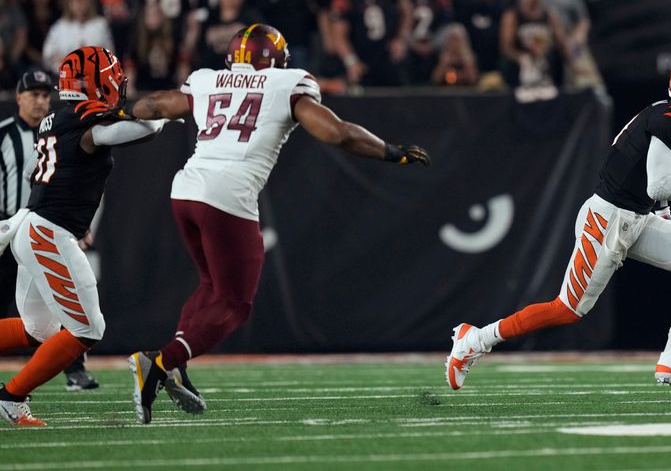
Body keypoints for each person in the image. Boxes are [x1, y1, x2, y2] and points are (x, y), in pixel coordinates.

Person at [128, 23, 431, 424]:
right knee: (234, 303)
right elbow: (337, 133)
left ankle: (175, 363)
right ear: (274, 58)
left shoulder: (207, 79)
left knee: (211, 286)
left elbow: (156, 106)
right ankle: (163, 361)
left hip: (185, 190)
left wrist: (117, 112)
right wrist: (391, 152)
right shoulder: (287, 82)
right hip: (228, 196)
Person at [446, 54, 671, 390]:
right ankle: (474, 340)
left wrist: (663, 218)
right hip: (608, 220)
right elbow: (657, 183)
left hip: (636, 216)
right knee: (566, 309)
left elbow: (654, 188)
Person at [0, 47, 170, 426]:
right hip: (48, 232)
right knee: (89, 328)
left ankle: (12, 398)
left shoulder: (55, 119)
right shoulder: (83, 120)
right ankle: (11, 398)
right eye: (112, 78)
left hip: (36, 224)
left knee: (37, 329)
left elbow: (35, 170)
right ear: (95, 82)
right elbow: (146, 128)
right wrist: (162, 111)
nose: (117, 85)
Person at [0, 71, 102, 392]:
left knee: (46, 322)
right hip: (14, 227)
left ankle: (73, 371)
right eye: (34, 95)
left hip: (37, 227)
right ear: (18, 98)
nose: (41, 101)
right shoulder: (6, 134)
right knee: (72, 322)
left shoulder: (61, 128)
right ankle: (13, 395)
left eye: (46, 95)